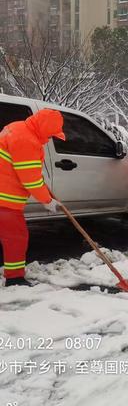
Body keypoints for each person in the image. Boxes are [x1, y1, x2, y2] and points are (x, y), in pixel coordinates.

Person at [0, 109, 65, 287]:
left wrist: (42, 187)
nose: (51, 138)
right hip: (5, 201)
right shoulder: (27, 141)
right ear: (44, 128)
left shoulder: (17, 128)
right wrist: (47, 201)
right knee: (16, 238)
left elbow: (25, 170)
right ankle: (15, 279)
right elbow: (30, 179)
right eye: (51, 134)